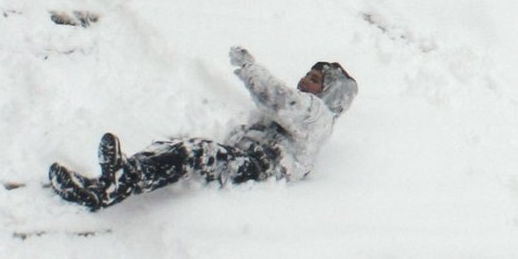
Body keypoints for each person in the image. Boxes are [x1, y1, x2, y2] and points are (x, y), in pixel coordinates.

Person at [48, 47, 357, 211]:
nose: (304, 81)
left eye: (315, 80)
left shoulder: (318, 116)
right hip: (248, 161)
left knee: (196, 152)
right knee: (175, 148)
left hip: (261, 171)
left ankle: (120, 182)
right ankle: (111, 180)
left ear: (330, 92)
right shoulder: (308, 114)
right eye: (307, 75)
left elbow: (278, 98)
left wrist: (249, 67)